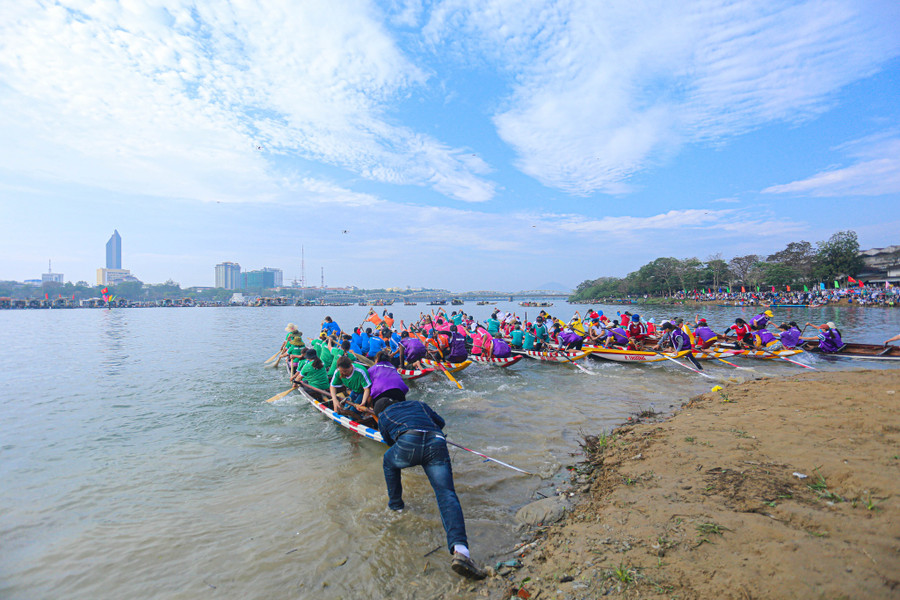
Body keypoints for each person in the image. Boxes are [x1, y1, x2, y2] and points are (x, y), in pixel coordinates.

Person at [373, 394, 487, 580]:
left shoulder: (384, 416)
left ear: (379, 412)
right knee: (446, 494)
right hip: (436, 441)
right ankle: (461, 551)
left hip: (408, 443)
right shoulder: (418, 403)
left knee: (388, 461)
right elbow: (440, 422)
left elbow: (389, 442)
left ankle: (396, 506)